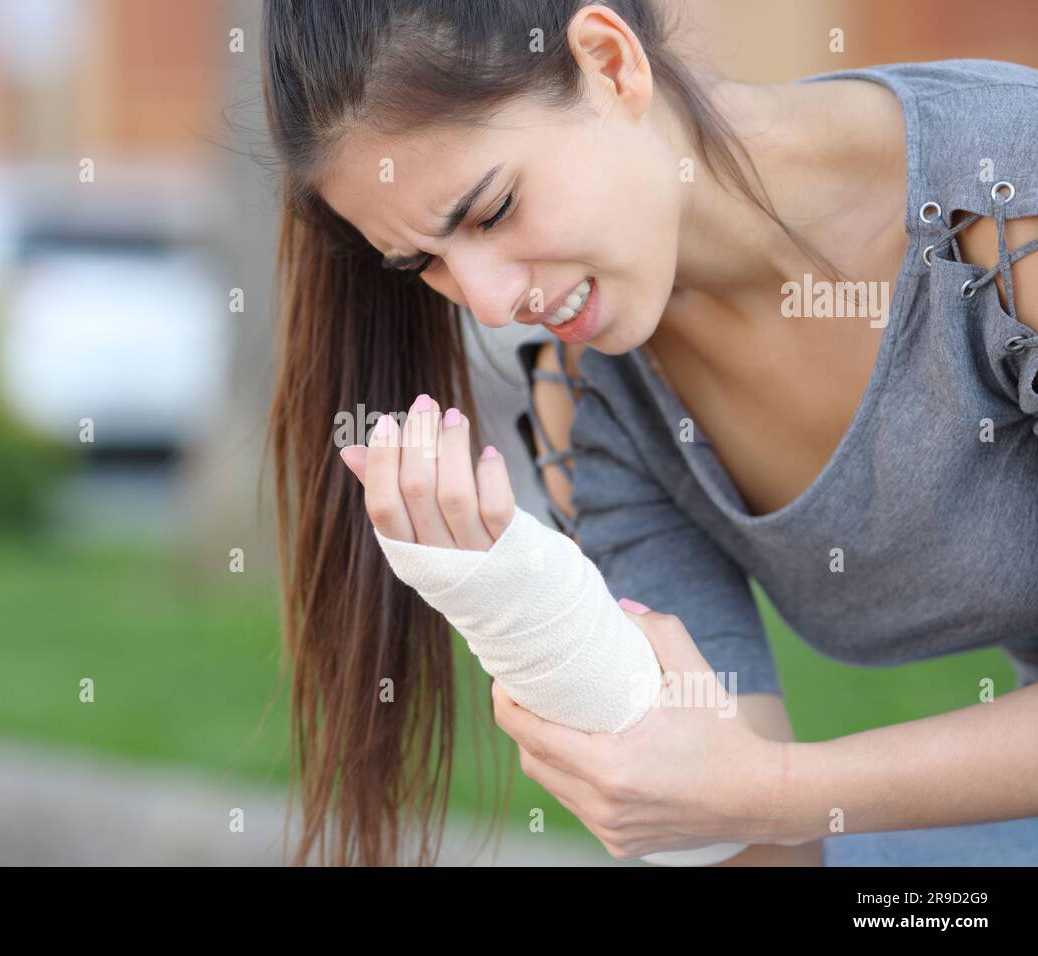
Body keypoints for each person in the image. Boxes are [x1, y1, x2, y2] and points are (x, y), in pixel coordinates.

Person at [262, 0, 1038, 866]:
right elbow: (740, 838)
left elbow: (755, 797)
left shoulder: (1008, 203)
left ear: (608, 62)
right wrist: (520, 610)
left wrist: (774, 792)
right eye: (426, 264)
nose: (485, 302)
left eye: (491, 211)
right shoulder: (593, 401)